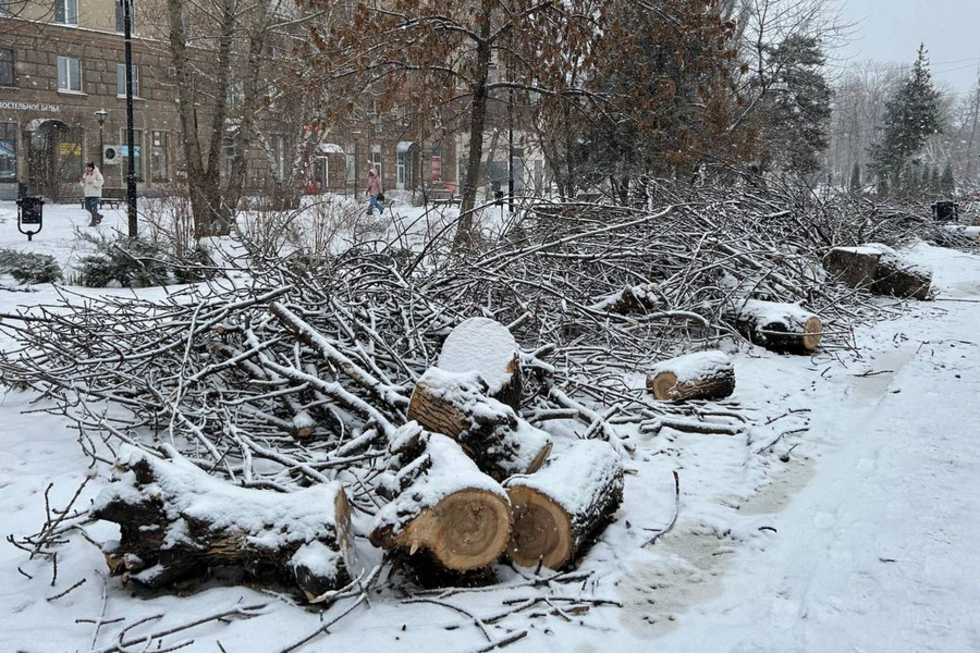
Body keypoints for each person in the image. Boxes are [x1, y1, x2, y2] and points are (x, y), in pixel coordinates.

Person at [80, 162, 105, 226]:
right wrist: (82, 182)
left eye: (89, 167)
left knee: (94, 207)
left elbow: (101, 182)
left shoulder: (97, 174)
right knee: (87, 207)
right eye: (87, 167)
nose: (88, 168)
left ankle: (94, 221)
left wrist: (94, 182)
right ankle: (98, 216)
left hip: (95, 193)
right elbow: (83, 184)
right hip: (87, 193)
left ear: (92, 167)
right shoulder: (85, 174)